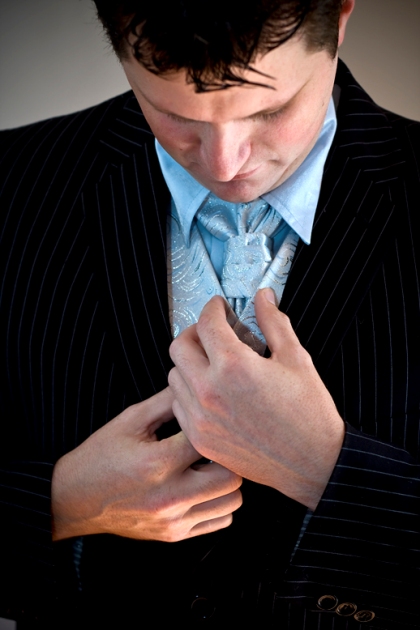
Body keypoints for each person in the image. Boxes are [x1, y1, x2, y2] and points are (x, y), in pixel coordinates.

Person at [0, 0, 419, 628]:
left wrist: (326, 469)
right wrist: (59, 505)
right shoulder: (12, 182)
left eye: (271, 111)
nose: (226, 163)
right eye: (174, 115)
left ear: (339, 17)